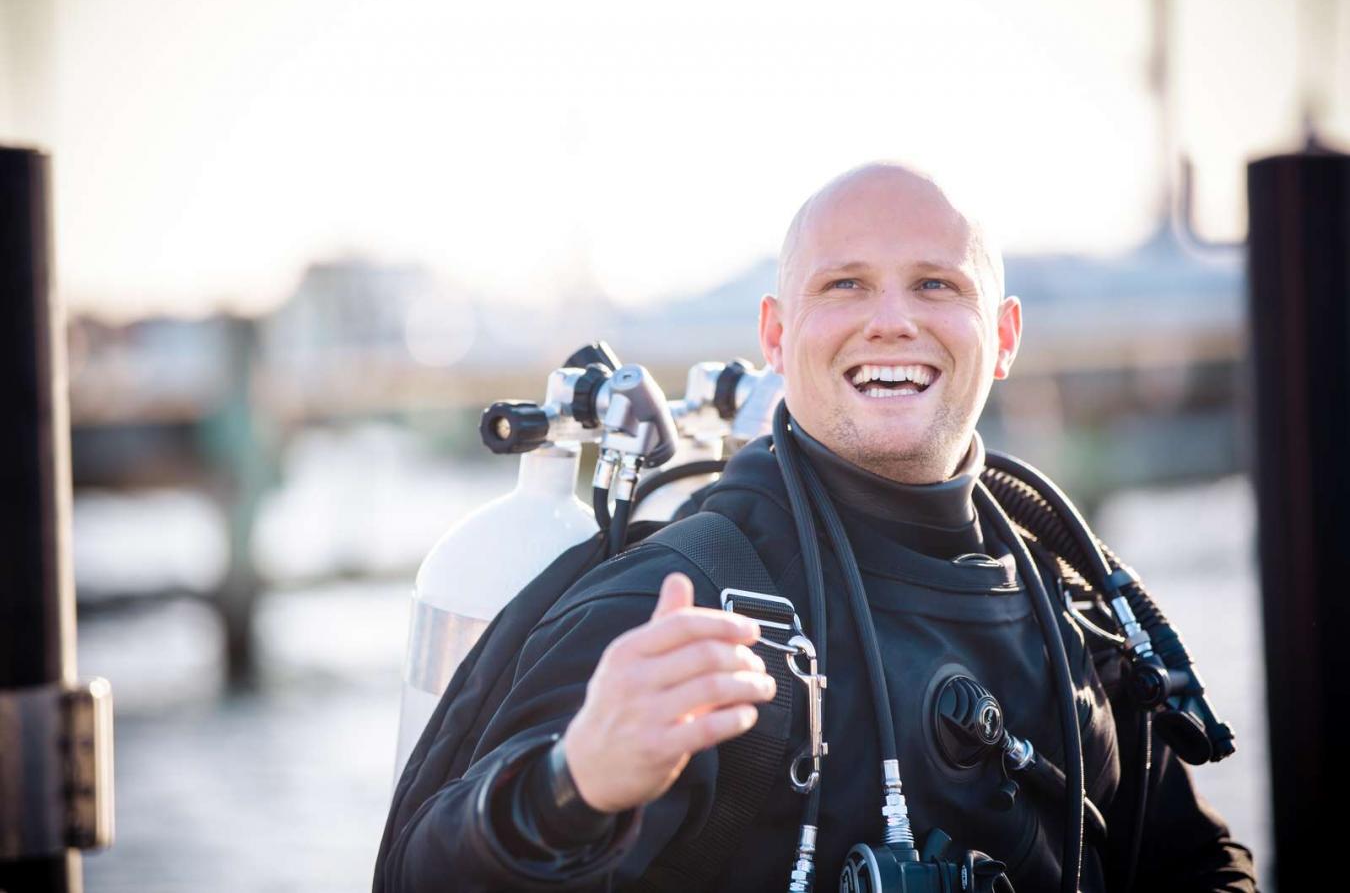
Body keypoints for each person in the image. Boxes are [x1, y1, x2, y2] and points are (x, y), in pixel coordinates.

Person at [376, 163, 1258, 891]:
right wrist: (573, 786)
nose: (891, 320)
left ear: (1004, 333)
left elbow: (1199, 868)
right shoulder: (684, 607)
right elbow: (429, 874)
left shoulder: (1065, 612)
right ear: (776, 331)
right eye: (845, 284)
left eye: (934, 284)